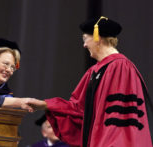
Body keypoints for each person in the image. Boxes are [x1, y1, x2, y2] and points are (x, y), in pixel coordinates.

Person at [25, 16, 153, 147]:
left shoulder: (120, 67)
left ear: (98, 38)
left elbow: (118, 118)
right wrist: (44, 105)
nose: (84, 44)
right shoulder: (94, 71)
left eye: (85, 38)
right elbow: (78, 109)